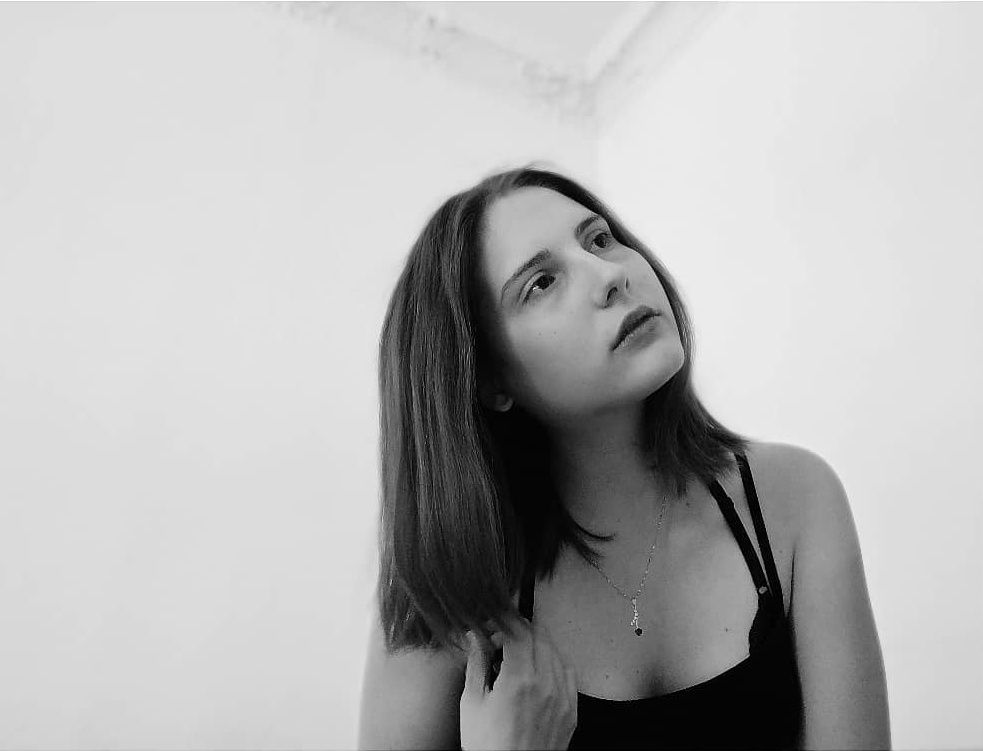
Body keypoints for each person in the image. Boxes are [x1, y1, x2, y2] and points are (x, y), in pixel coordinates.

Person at [357, 163, 890, 750]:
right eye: (542, 283)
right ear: (489, 378)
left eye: (600, 239)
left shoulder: (793, 501)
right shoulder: (448, 590)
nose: (610, 275)